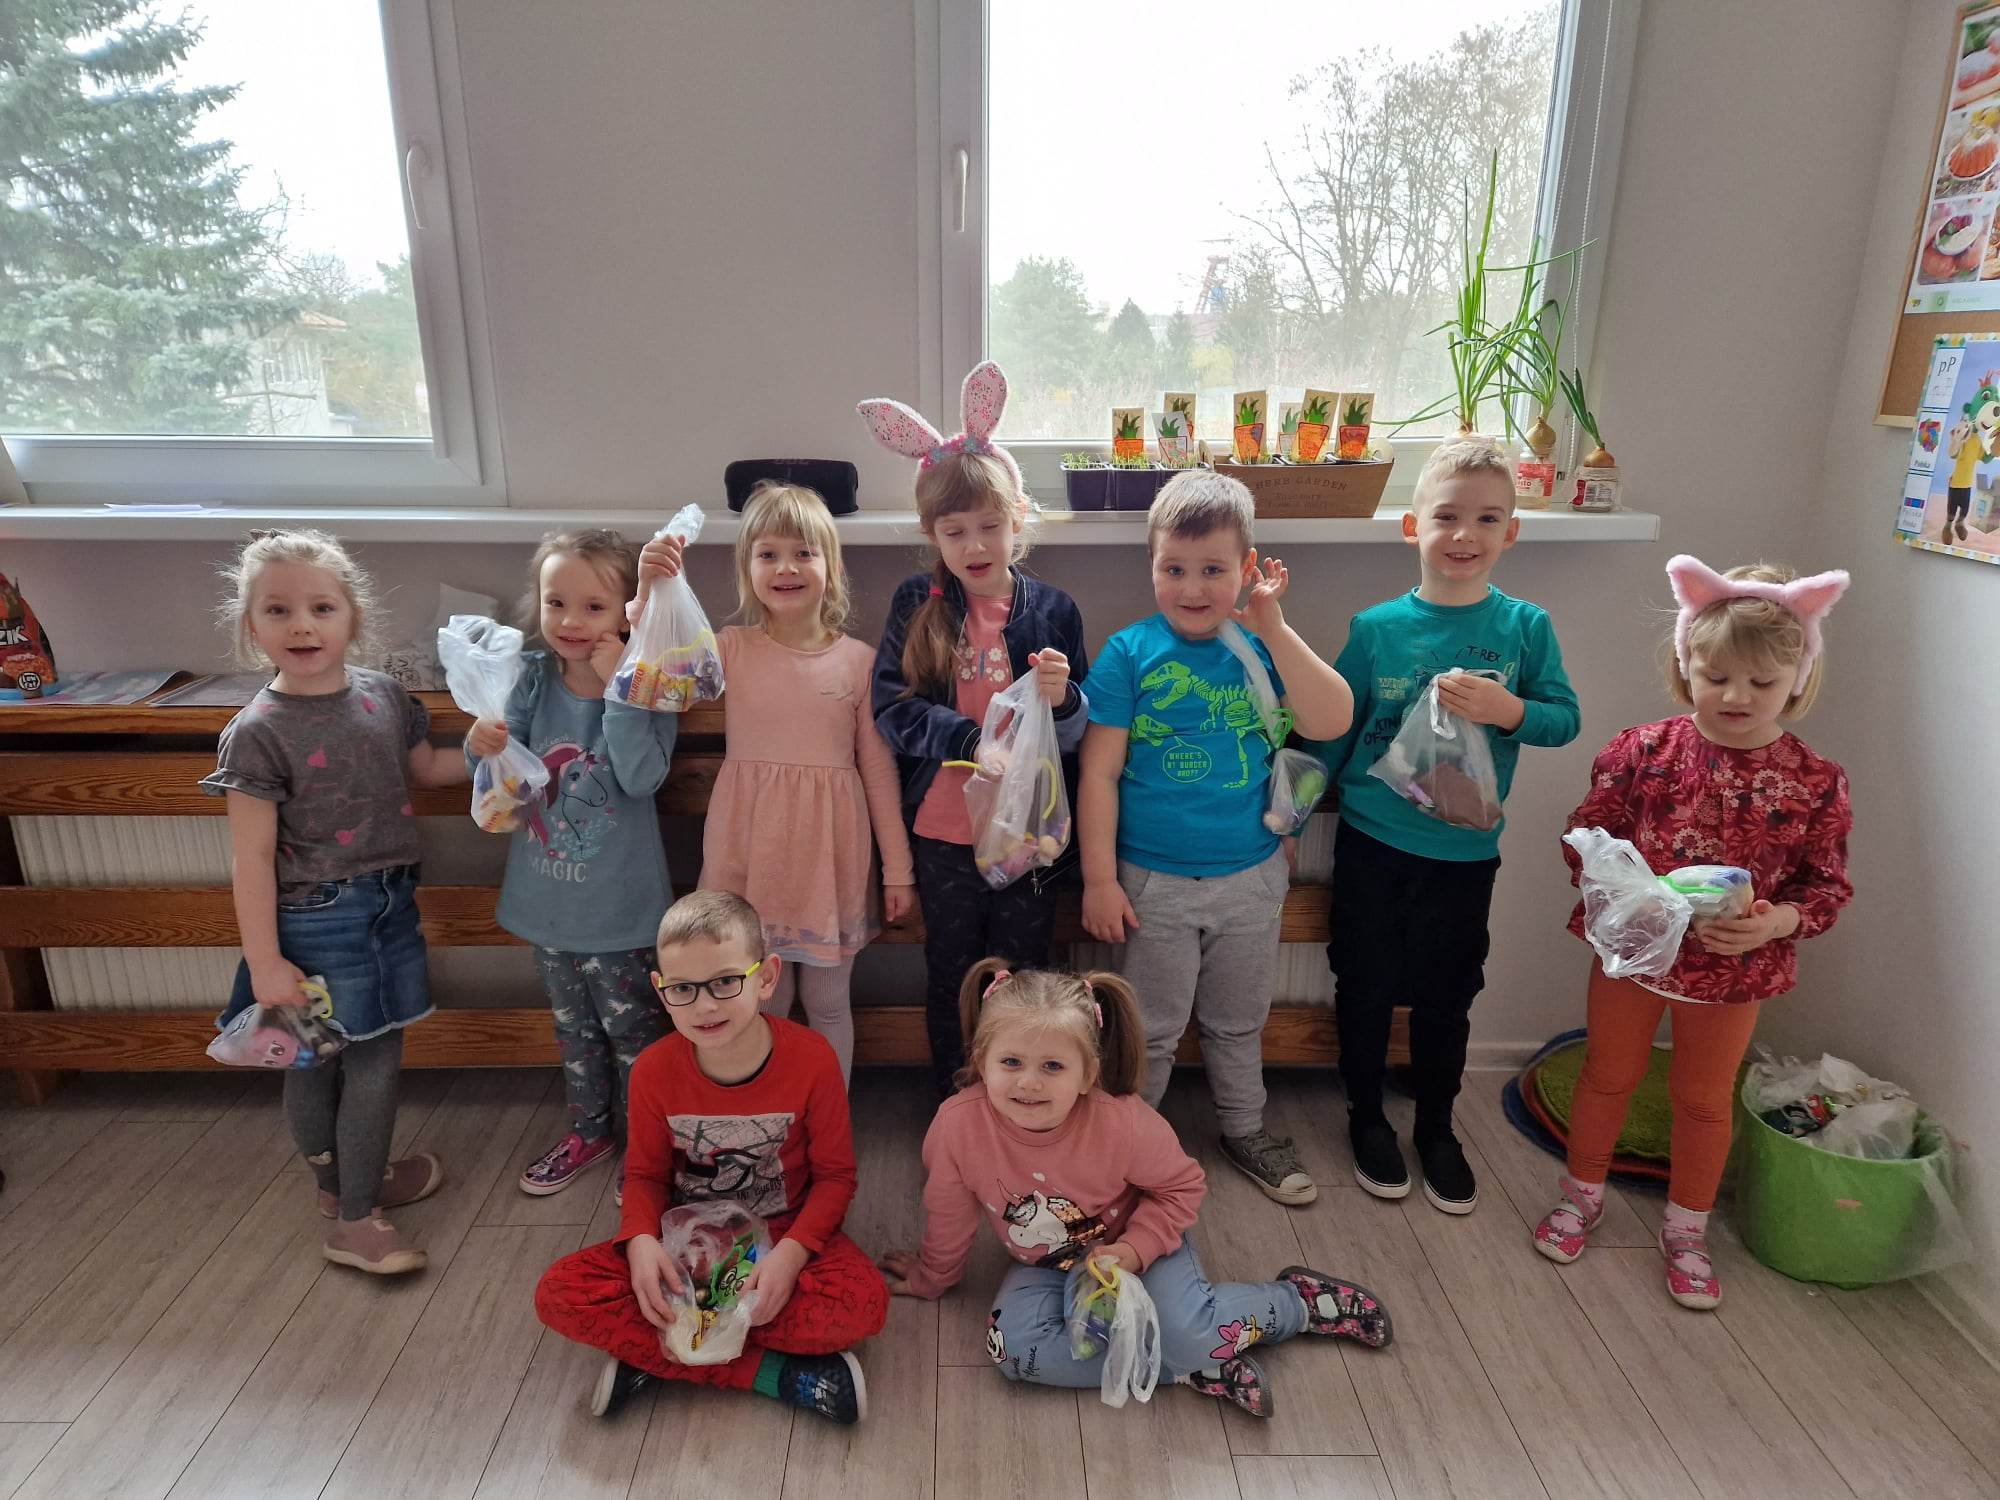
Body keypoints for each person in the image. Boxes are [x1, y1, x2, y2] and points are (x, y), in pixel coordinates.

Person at [1535, 555, 1852, 1309]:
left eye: (1762, 682)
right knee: (1607, 1075)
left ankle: (1686, 1231)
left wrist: (1776, 921)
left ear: (1798, 678)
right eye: (1716, 676)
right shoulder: (1643, 751)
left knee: (1705, 1100)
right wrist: (1633, 894)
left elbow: (1826, 887)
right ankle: (1581, 1197)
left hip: (1735, 970)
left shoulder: (1814, 780)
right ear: (1686, 666)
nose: (1736, 696)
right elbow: (1585, 838)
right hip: (1636, 956)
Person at [880, 960, 1391, 1418]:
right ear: (981, 1060)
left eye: (1052, 1066)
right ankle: (1188, 1366)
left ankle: (1297, 1303)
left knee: (1189, 1331)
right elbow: (949, 1212)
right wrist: (934, 1276)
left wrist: (1132, 1250)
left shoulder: (1123, 1122)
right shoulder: (956, 1126)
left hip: (1140, 1247)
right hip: (1045, 1265)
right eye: (1011, 1062)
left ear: (1088, 1074)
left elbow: (1180, 1189)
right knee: (1012, 1353)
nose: (1028, 1083)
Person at [1317, 436, 1579, 1213]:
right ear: (1413, 527)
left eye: (1487, 519)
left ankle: (1437, 1124)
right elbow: (1334, 727)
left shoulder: (1525, 628)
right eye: (1447, 516)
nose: (1465, 534)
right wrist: (1286, 810)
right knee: (1363, 983)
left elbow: (1564, 720)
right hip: (1372, 842)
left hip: (1464, 855)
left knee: (1448, 993)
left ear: (1511, 533)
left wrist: (1510, 709)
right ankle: (1366, 1114)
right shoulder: (1376, 629)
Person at [1079, 470, 1353, 1205]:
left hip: (1250, 876)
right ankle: (1129, 1148)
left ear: (1247, 567)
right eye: (1174, 569)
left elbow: (1331, 719)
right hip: (1152, 883)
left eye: (1212, 570)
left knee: (1238, 1021)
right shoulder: (1129, 652)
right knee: (1151, 1028)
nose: (1193, 588)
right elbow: (1099, 773)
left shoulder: (1261, 645)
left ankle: (1244, 1128)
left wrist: (1274, 626)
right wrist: (1099, 879)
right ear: (1151, 565)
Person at [204, 529, 461, 1274]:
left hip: (390, 906)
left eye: (321, 607)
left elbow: (428, 769)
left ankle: (350, 1182)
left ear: (353, 616)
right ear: (251, 626)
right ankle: (354, 1217)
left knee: (365, 1053)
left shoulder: (384, 696)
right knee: (330, 1061)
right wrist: (264, 962)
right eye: (278, 610)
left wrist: (492, 752)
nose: (302, 625)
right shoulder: (257, 733)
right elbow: (251, 857)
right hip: (317, 919)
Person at [534, 891, 887, 1422]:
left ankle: (666, 1355)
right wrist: (640, 1242)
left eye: (725, 981)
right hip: (690, 1244)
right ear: (662, 991)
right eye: (683, 988)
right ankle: (772, 1373)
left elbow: (836, 1177)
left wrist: (792, 1256)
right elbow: (645, 1175)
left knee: (864, 1305)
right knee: (560, 1293)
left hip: (783, 1232)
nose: (705, 1006)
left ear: (766, 978)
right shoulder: (653, 1070)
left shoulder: (813, 1058)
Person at [863, 361, 1088, 1096]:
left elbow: (1077, 731)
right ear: (933, 533)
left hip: (1030, 833)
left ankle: (1020, 1101)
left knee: (1023, 978)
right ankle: (956, 1104)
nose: (974, 543)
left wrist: (1063, 700)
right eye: (954, 530)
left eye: (990, 525)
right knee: (953, 974)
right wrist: (967, 742)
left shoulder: (1052, 610)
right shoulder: (916, 602)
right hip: (944, 833)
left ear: (1018, 516)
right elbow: (892, 709)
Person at [468, 529, 681, 1197]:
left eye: (593, 606)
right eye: (555, 602)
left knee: (635, 1038)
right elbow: (501, 774)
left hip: (619, 912)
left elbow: (642, 777)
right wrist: (480, 744)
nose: (569, 621)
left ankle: (648, 1153)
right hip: (550, 907)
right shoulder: (531, 676)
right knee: (574, 1033)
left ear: (626, 614)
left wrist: (618, 690)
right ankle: (590, 1131)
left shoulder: (646, 684)